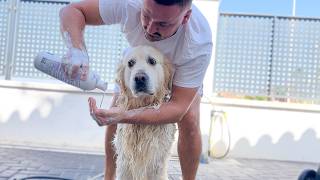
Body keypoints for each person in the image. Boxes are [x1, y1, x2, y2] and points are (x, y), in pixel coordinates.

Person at [60, 0, 212, 179]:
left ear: (186, 17)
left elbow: (177, 108)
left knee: (190, 118)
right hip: (137, 59)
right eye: (146, 16)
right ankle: (109, 176)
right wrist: (77, 50)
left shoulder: (197, 43)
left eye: (163, 24)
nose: (150, 29)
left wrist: (125, 115)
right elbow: (72, 10)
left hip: (179, 67)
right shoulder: (128, 4)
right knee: (115, 108)